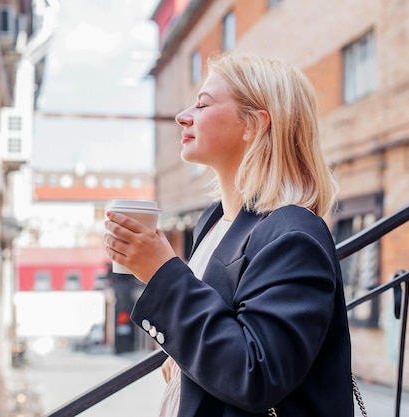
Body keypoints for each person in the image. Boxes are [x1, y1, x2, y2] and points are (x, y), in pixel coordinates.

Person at [104, 53, 354, 417]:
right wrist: (186, 359)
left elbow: (256, 374)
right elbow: (222, 332)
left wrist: (161, 273)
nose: (182, 116)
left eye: (203, 105)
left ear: (253, 124)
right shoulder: (214, 221)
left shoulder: (295, 236)